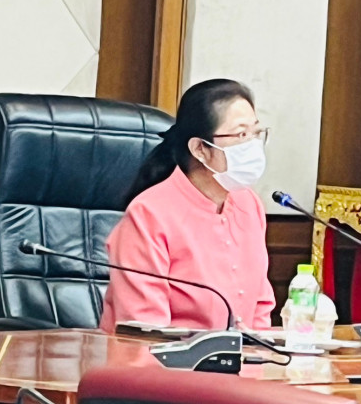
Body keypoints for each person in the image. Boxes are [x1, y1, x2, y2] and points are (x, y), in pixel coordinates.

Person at [99, 79, 275, 333]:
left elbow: (260, 308)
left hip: (241, 355)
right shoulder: (149, 214)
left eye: (256, 133)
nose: (253, 145)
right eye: (241, 135)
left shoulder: (249, 204)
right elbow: (145, 328)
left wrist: (259, 352)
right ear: (200, 148)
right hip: (163, 356)